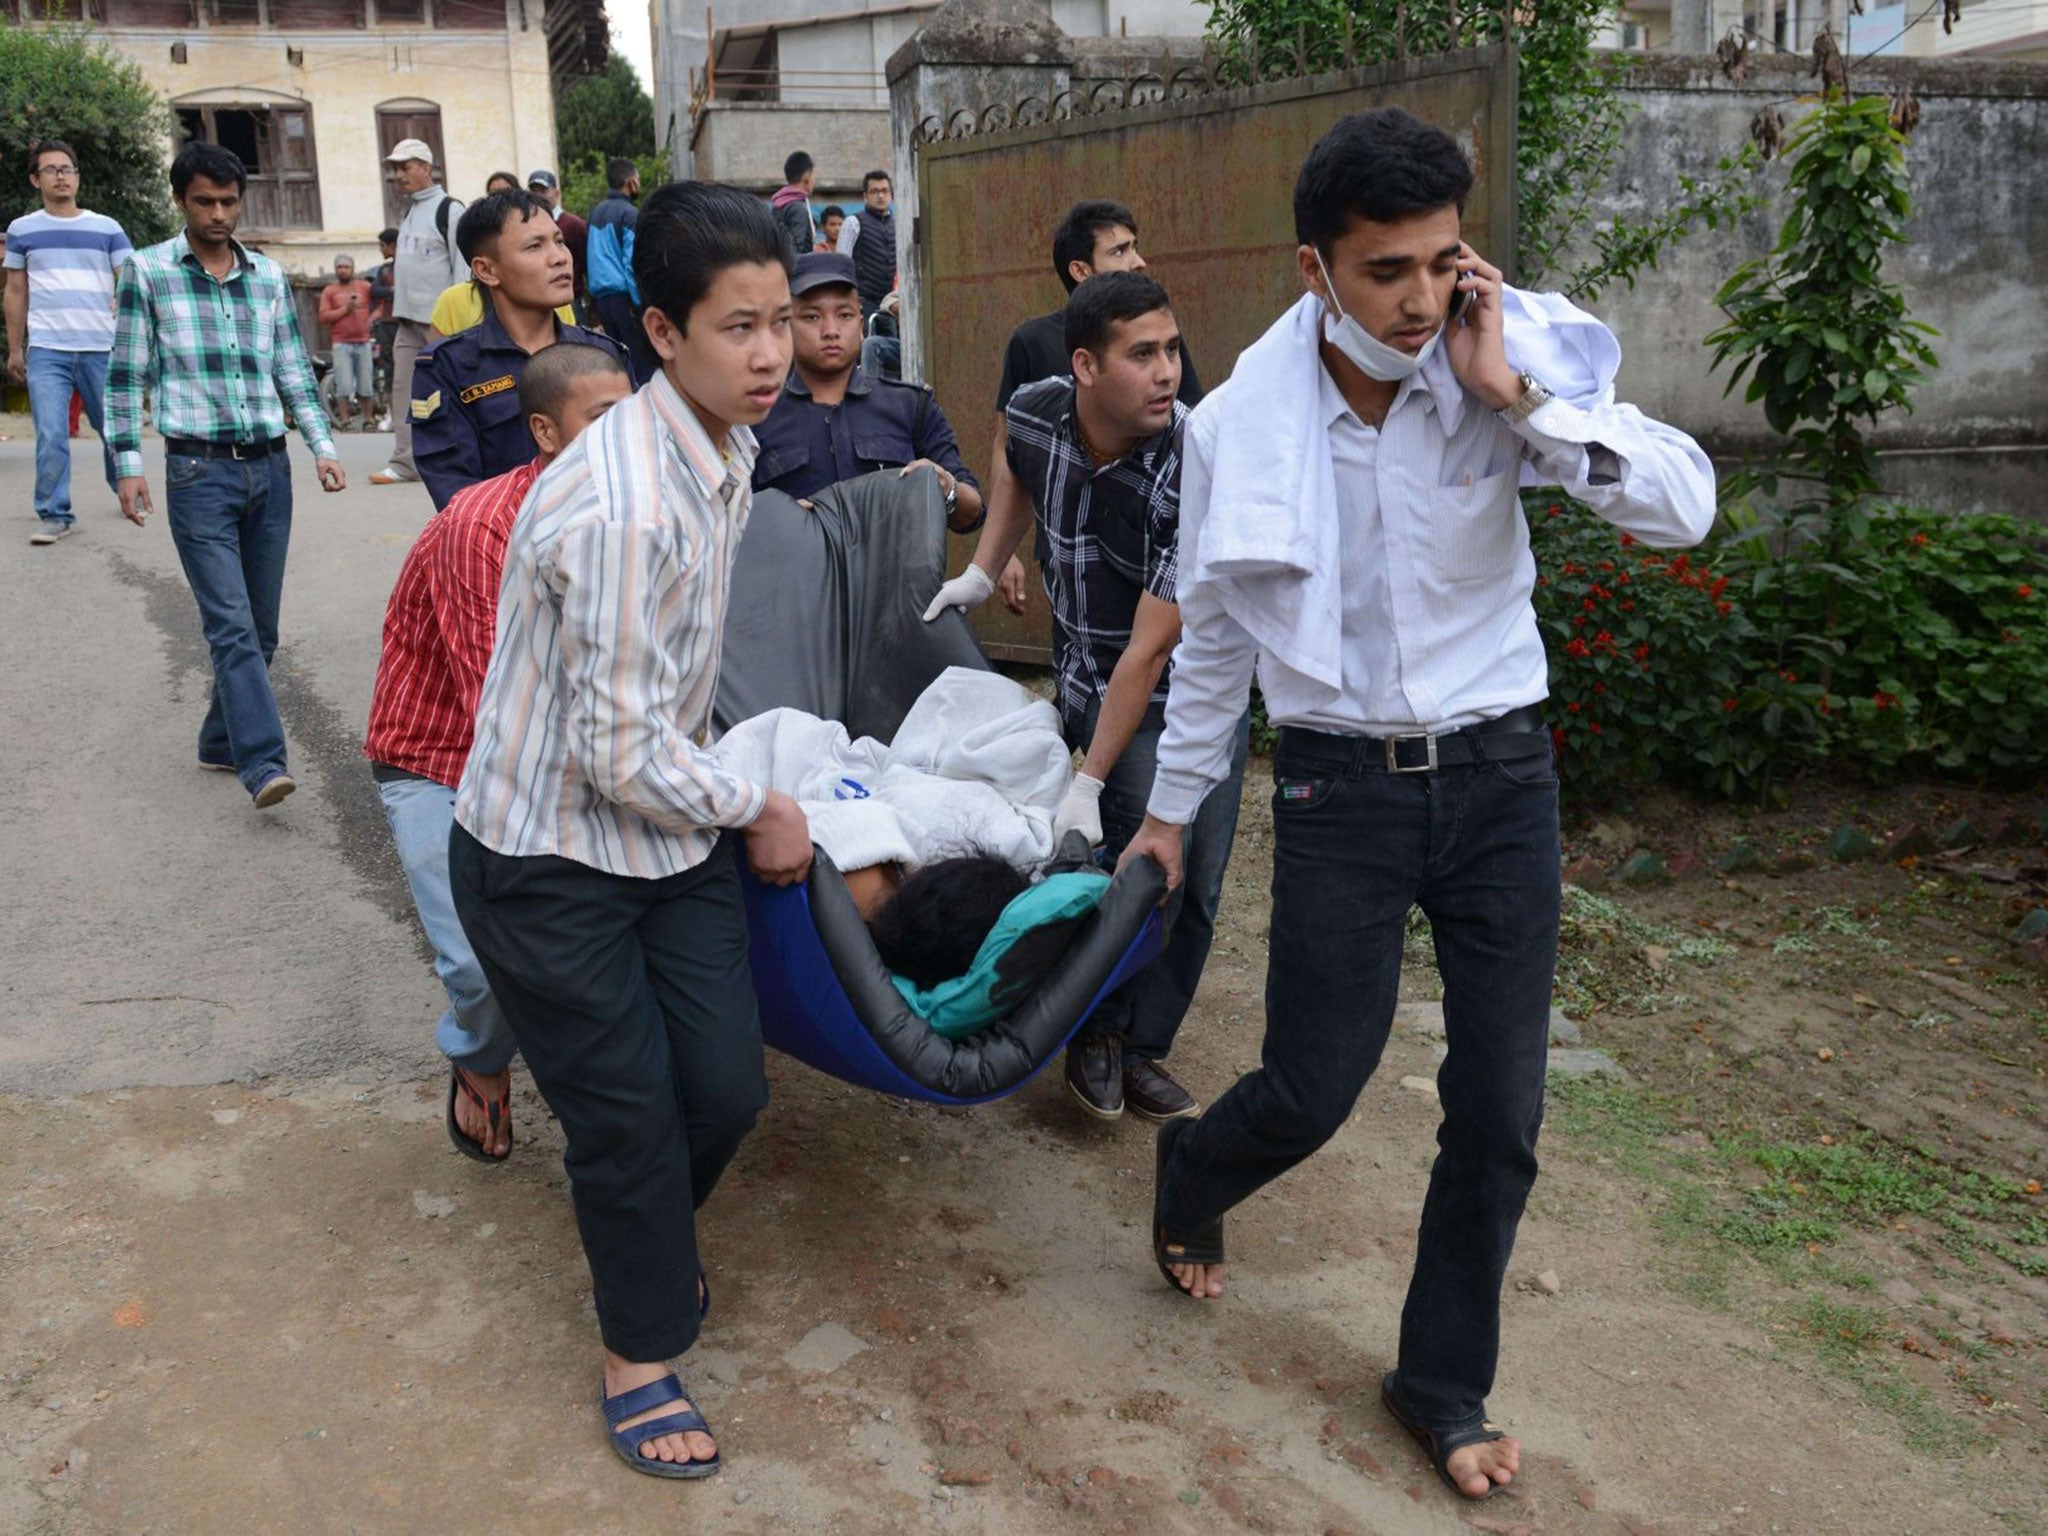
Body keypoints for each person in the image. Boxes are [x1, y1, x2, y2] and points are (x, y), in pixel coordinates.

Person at [1119, 110, 1716, 1503]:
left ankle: (1441, 1379)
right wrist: (1169, 807)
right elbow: (1213, 632)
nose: (1419, 297)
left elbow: (1682, 509)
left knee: (1499, 1109)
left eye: (1442, 260)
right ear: (1314, 268)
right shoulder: (1239, 424)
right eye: (1385, 270)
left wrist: (1517, 394)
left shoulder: (1503, 358)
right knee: (1314, 1087)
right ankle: (1196, 1166)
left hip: (1504, 777)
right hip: (1339, 784)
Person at [449, 180, 810, 1482]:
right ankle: (638, 1352)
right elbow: (610, 755)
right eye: (738, 328)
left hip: (664, 836)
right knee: (632, 1118)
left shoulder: (723, 444)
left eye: (781, 321)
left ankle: (640, 1224)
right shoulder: (619, 503)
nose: (770, 353)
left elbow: (661, 699)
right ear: (663, 332)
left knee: (724, 1087)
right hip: (546, 853)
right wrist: (759, 801)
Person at [924, 272, 1245, 1123]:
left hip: (1185, 697)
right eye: (1143, 354)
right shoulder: (1037, 407)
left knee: (1188, 876)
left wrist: (1091, 779)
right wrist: (984, 569)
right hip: (1080, 674)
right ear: (1085, 367)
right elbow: (1013, 465)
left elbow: (1151, 649)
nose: (1169, 372)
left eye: (1172, 349)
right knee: (1114, 868)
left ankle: (1138, 1047)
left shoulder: (1196, 461)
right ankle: (1093, 1031)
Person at [364, 341, 632, 1162]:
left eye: (636, 418)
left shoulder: (638, 511)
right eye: (604, 421)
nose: (628, 439)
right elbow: (501, 703)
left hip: (577, 751)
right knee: (488, 967)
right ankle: (480, 1061)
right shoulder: (482, 526)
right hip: (444, 763)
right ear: (546, 432)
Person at [105, 142, 346, 810]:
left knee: (261, 630)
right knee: (232, 626)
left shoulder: (267, 277)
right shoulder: (146, 272)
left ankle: (218, 739)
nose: (219, 214)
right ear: (181, 200)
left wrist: (322, 445)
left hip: (269, 470)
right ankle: (263, 762)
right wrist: (126, 465)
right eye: (205, 201)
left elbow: (293, 369)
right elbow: (124, 375)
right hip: (195, 471)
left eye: (229, 201)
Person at [410, 189, 622, 511]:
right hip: (500, 548)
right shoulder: (448, 368)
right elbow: (456, 495)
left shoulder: (604, 356)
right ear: (487, 271)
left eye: (559, 241)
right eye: (535, 246)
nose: (560, 257)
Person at [751, 251, 981, 532]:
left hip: (896, 576)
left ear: (861, 325)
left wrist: (946, 487)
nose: (831, 330)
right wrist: (775, 521)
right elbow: (726, 525)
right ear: (785, 326)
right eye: (812, 317)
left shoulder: (910, 406)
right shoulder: (756, 419)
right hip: (796, 574)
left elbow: (972, 514)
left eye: (844, 315)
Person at [4, 138, 132, 545]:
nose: (61, 176)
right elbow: (15, 291)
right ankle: (55, 513)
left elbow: (129, 278)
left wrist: (124, 299)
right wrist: (15, 347)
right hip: (48, 350)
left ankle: (126, 487)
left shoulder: (106, 227)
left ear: (77, 176)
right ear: (35, 179)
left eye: (67, 169)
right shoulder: (23, 230)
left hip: (100, 345)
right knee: (52, 432)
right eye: (51, 170)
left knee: (111, 428)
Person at [995, 199, 1205, 415]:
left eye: (1135, 247)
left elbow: (1192, 419)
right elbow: (1005, 442)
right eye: (1119, 252)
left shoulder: (1157, 331)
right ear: (1081, 271)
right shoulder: (1032, 342)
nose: (1139, 262)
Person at [371, 138, 465, 486]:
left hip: (440, 322)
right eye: (395, 168)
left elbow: (463, 267)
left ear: (426, 167)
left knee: (449, 392)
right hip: (407, 321)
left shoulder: (450, 210)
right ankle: (404, 462)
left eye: (405, 166)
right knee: (404, 391)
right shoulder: (411, 211)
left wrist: (457, 320)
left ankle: (458, 458)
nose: (398, 175)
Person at [586, 157, 644, 378]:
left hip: (602, 301)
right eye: (637, 180)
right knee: (640, 365)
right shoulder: (630, 214)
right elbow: (632, 263)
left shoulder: (595, 213)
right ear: (630, 182)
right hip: (625, 299)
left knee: (619, 365)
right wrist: (640, 304)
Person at [317, 254, 374, 432]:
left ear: (353, 268)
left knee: (366, 384)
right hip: (341, 343)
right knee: (343, 385)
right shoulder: (330, 291)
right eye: (339, 267)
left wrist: (374, 318)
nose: (343, 270)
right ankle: (345, 421)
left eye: (346, 267)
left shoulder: (365, 287)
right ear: (335, 270)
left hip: (364, 341)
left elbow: (381, 304)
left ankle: (368, 420)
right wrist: (345, 309)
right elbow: (323, 317)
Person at [833, 169, 895, 319]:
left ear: (891, 195)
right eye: (874, 191)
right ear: (865, 196)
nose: (880, 196)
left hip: (894, 304)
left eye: (884, 191)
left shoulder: (899, 225)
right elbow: (842, 265)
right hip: (863, 303)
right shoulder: (853, 223)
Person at [527, 168, 589, 314]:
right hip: (538, 301)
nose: (538, 195)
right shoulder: (526, 227)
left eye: (543, 190)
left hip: (571, 300)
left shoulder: (574, 224)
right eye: (533, 190)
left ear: (556, 193)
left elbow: (588, 265)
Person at [369, 225, 399, 422]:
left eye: (382, 245)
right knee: (389, 368)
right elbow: (375, 290)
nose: (381, 250)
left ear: (392, 245)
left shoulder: (409, 266)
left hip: (407, 323)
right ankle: (393, 415)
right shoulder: (384, 269)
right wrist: (392, 290)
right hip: (386, 324)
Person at [769, 151, 818, 268]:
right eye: (813, 175)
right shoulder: (798, 208)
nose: (814, 180)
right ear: (807, 176)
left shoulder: (779, 203)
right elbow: (796, 251)